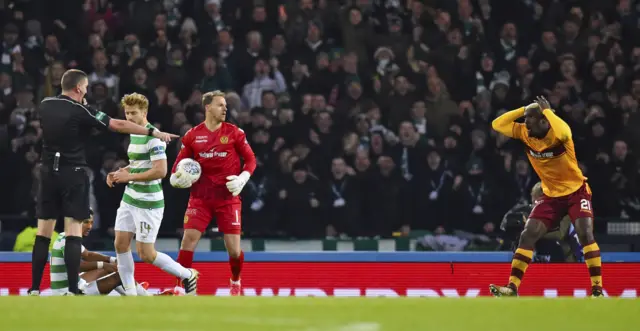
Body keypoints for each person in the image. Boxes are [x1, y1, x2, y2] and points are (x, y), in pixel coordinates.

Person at [31, 69, 178, 296]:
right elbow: (117, 125)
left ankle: (33, 288)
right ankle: (72, 290)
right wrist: (152, 133)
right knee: (73, 232)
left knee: (43, 235)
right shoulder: (81, 109)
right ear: (79, 88)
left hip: (47, 172)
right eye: (86, 87)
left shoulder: (45, 104)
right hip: (73, 173)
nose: (87, 91)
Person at [490, 96, 603, 297]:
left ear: (544, 121)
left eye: (530, 121)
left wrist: (548, 111)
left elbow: (565, 131)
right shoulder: (526, 133)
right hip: (550, 195)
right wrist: (525, 108)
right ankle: (512, 287)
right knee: (527, 235)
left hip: (576, 191)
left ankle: (597, 289)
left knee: (585, 233)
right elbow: (497, 124)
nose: (525, 125)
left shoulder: (559, 135)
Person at [107, 93, 199, 296]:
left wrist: (128, 177)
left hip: (148, 202)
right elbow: (139, 164)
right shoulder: (134, 134)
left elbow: (160, 171)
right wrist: (121, 172)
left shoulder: (154, 138)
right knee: (120, 243)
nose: (129, 118)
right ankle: (131, 295)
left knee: (146, 253)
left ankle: (187, 274)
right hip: (130, 197)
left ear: (145, 113)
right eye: (127, 113)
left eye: (134, 113)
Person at [170, 90, 256, 296]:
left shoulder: (235, 133)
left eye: (225, 105)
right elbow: (177, 167)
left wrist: (242, 179)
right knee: (188, 239)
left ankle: (235, 281)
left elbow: (251, 161)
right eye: (220, 105)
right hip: (200, 198)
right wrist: (176, 178)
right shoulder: (192, 136)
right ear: (207, 107)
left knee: (234, 250)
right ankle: (180, 286)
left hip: (228, 198)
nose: (225, 108)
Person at [50, 210, 151, 296]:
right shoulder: (68, 240)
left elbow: (87, 255)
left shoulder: (65, 236)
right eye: (86, 222)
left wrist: (111, 260)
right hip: (70, 293)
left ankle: (136, 291)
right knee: (120, 276)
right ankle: (145, 297)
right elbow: (77, 266)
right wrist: (103, 265)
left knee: (110, 269)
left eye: (91, 222)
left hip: (70, 286)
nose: (89, 226)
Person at [500, 182, 582, 263]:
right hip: (541, 253)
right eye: (534, 199)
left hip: (565, 257)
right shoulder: (531, 210)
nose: (535, 203)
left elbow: (559, 234)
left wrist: (531, 232)